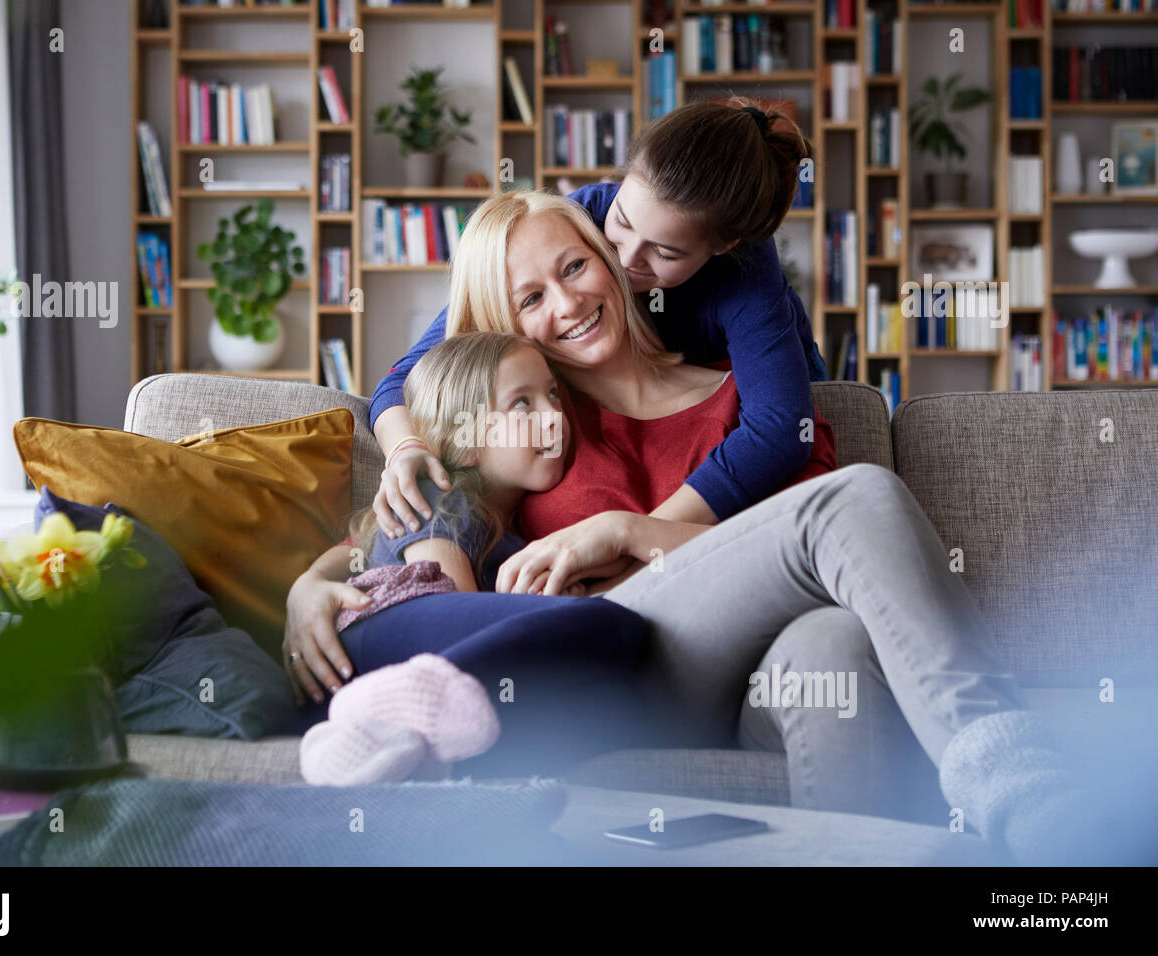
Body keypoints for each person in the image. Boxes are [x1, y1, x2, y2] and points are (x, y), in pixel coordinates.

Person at [288, 187, 1115, 864]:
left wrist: (630, 532)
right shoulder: (537, 426)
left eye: (576, 266)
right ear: (506, 324)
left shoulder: (751, 406)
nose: (569, 301)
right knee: (856, 497)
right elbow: (411, 513)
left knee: (835, 646)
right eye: (531, 298)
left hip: (760, 674)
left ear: (613, 259)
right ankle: (1034, 797)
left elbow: (837, 567)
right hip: (628, 663)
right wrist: (310, 586)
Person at [371, 99, 826, 545]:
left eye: (665, 253)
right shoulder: (575, 224)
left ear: (722, 246)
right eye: (621, 225)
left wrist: (635, 538)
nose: (624, 260)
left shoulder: (744, 261)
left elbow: (780, 426)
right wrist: (405, 449)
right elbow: (400, 380)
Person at [294, 332, 658, 785]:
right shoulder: (438, 493)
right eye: (522, 404)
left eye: (551, 395)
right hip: (370, 640)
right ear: (464, 438)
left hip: (402, 663)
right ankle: (369, 713)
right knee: (616, 626)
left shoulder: (507, 527)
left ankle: (412, 746)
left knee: (619, 700)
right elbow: (447, 605)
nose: (554, 417)